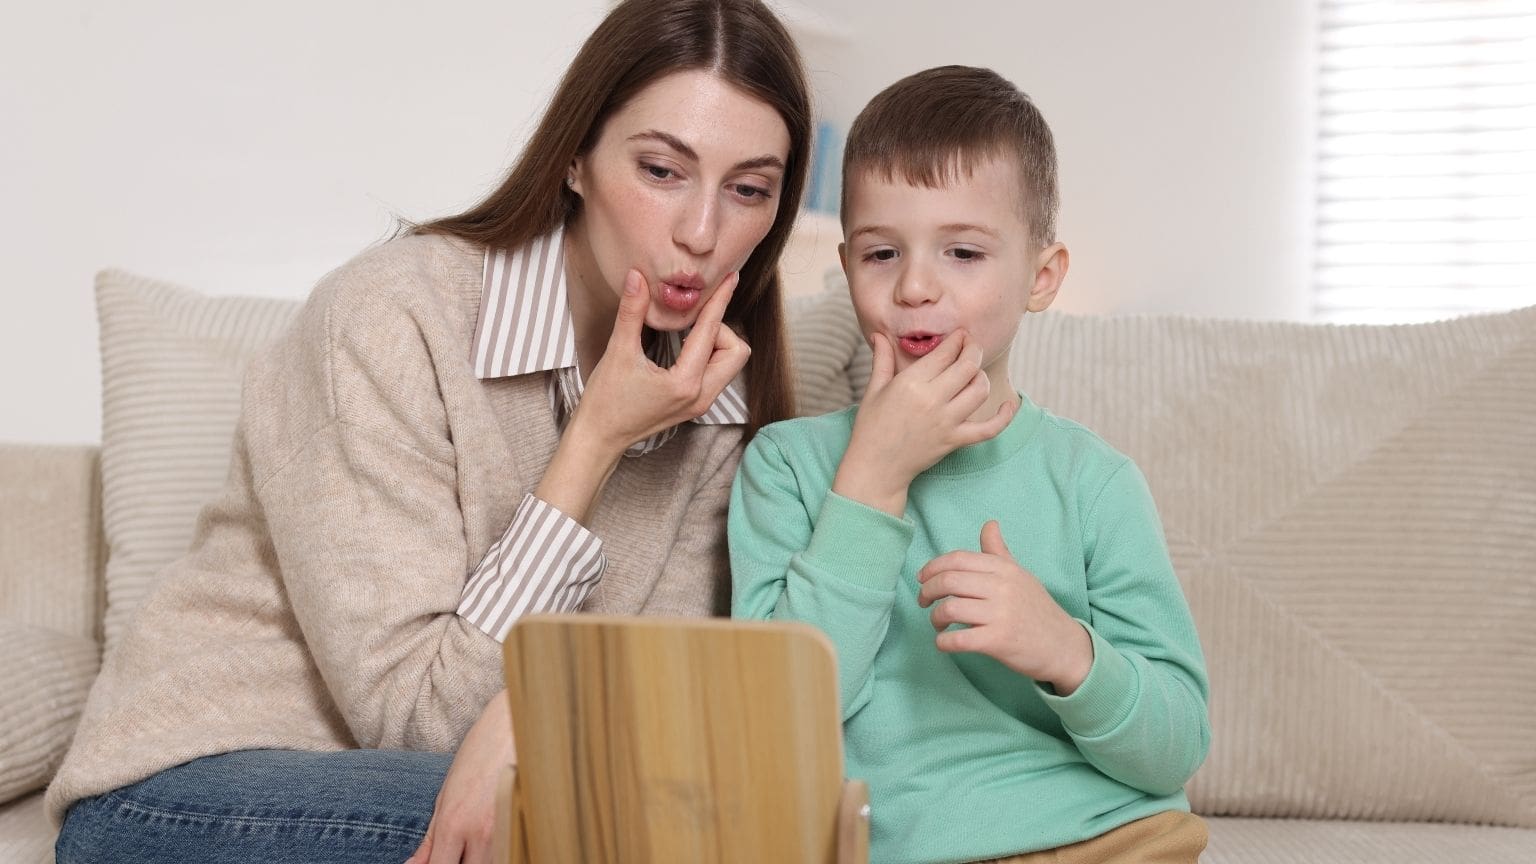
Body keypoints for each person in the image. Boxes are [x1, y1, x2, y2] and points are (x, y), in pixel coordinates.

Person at [50, 2, 810, 862]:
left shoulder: (715, 388)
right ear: (575, 158)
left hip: (451, 780)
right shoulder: (388, 317)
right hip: (180, 793)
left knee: (699, 807)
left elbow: (648, 695)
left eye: (748, 189)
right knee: (611, 818)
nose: (702, 233)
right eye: (663, 170)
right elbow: (420, 720)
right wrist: (593, 442)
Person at [730, 65, 1210, 864]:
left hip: (1101, 836)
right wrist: (872, 481)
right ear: (848, 268)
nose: (916, 285)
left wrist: (1065, 649)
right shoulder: (787, 467)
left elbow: (1175, 747)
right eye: (882, 253)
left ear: (1042, 277)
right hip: (886, 844)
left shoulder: (1094, 483)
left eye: (962, 252)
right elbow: (777, 724)